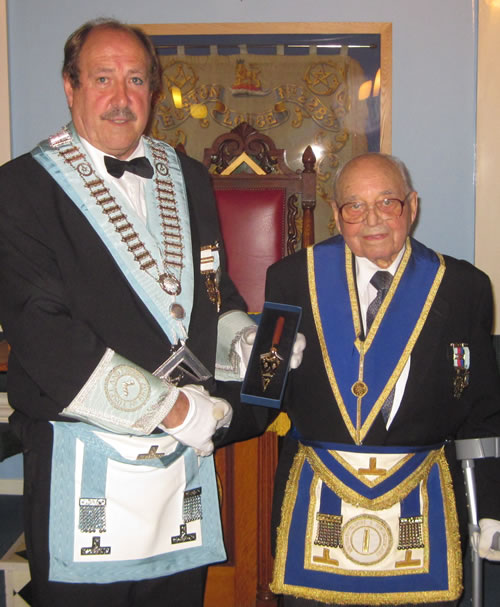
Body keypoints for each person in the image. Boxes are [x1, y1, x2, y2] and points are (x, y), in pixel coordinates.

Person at [0, 18, 264, 607]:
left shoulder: (189, 176)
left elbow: (209, 292)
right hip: (84, 453)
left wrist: (247, 340)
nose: (121, 98)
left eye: (137, 80)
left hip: (179, 464)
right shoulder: (17, 189)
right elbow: (44, 334)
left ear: (153, 89)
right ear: (69, 88)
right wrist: (170, 409)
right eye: (102, 78)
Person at [257, 152, 500, 606]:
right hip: (318, 505)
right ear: (335, 214)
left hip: (422, 508)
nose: (372, 220)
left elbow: (483, 411)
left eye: (387, 202)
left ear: (412, 206)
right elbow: (262, 395)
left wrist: (491, 509)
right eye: (355, 206)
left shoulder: (463, 287)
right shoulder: (292, 279)